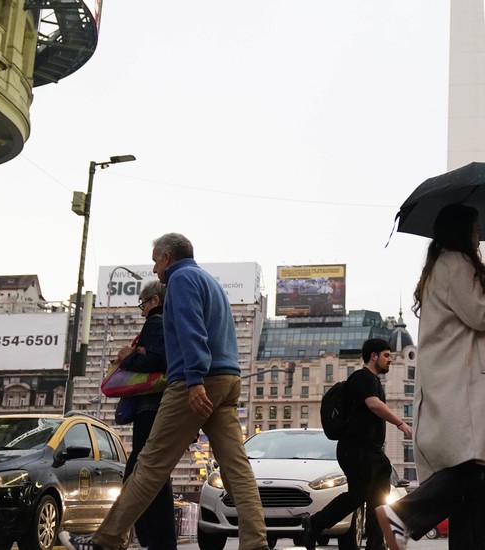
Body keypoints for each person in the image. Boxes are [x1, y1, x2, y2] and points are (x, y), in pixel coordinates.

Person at [90, 233, 268, 550]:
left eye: (156, 261)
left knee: (150, 465)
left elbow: (191, 330)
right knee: (236, 468)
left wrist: (195, 379)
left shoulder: (182, 280)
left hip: (195, 380)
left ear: (167, 257)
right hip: (227, 381)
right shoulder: (208, 281)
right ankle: (255, 543)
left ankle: (106, 540)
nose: (156, 270)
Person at [374, 203, 485, 550]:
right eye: (476, 227)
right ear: (461, 230)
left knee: (474, 509)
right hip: (463, 385)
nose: (480, 234)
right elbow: (482, 314)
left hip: (455, 380)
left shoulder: (442, 265)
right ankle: (402, 515)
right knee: (468, 467)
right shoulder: (456, 263)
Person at [300, 338, 413, 550]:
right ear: (374, 356)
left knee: (379, 495)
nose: (389, 360)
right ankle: (314, 523)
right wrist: (400, 423)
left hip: (373, 451)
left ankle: (375, 543)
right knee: (358, 494)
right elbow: (374, 405)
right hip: (354, 448)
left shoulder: (374, 381)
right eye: (386, 355)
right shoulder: (362, 378)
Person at [113, 280, 176, 550]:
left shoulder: (156, 322)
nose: (142, 311)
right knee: (154, 475)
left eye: (143, 304)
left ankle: (113, 536)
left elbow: (156, 361)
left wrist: (127, 357)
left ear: (155, 300)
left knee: (139, 472)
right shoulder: (171, 322)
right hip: (161, 407)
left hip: (151, 407)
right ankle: (157, 540)